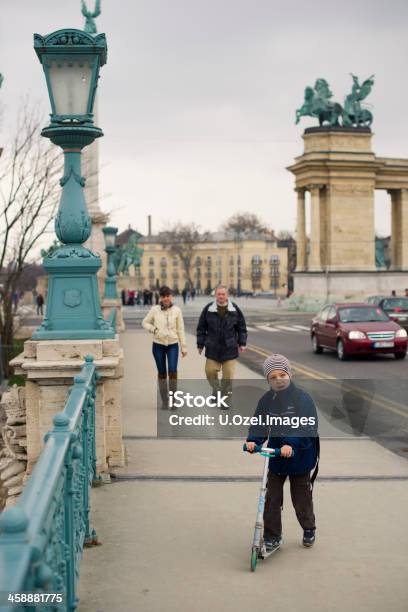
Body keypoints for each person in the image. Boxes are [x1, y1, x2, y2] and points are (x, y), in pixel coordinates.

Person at [245, 354, 319, 550]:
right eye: (273, 377)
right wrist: (253, 441)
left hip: (299, 456)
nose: (278, 380)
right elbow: (259, 424)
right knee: (271, 497)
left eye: (282, 375)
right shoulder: (267, 400)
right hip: (276, 456)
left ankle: (309, 527)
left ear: (290, 374)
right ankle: (272, 535)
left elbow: (307, 427)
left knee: (301, 499)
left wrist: (291, 444)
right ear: (268, 380)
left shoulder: (302, 399)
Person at [196, 285, 247, 398]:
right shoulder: (208, 309)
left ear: (227, 295)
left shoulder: (234, 309)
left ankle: (225, 398)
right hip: (213, 348)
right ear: (215, 295)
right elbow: (201, 328)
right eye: (219, 294)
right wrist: (200, 344)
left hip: (230, 349)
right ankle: (217, 391)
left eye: (223, 294)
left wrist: (242, 343)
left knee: (228, 375)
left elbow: (241, 327)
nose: (221, 296)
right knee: (209, 372)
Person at [142, 285, 187, 407]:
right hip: (158, 345)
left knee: (172, 371)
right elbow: (144, 322)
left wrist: (183, 347)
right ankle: (165, 401)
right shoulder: (154, 310)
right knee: (162, 372)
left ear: (171, 296)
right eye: (163, 296)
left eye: (168, 296)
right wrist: (154, 330)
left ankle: (173, 400)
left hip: (173, 344)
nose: (166, 298)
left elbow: (181, 329)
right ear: (160, 297)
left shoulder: (177, 310)